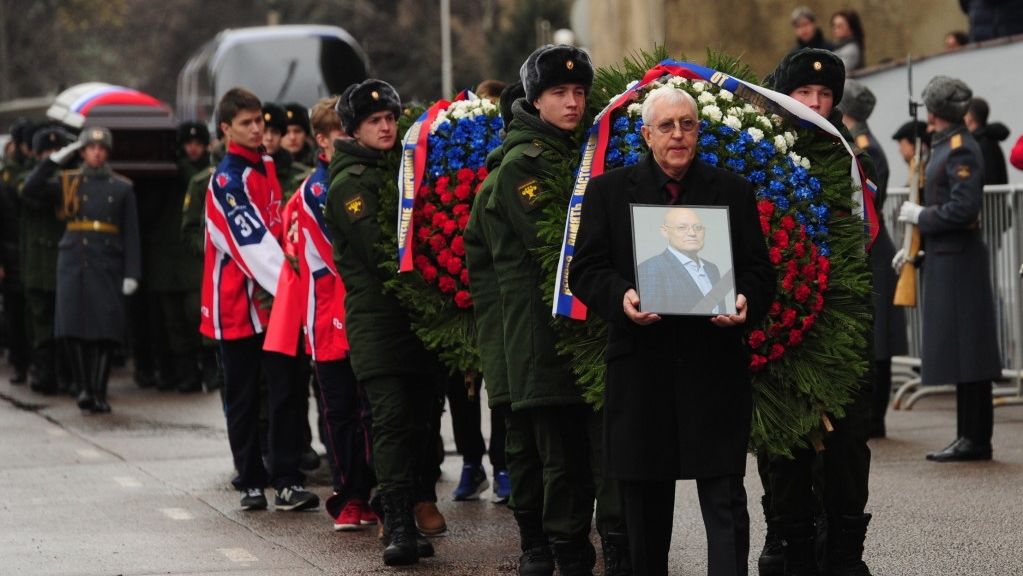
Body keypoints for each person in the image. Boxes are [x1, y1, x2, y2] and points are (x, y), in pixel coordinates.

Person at [569, 85, 774, 576]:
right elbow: (586, 270)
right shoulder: (609, 192)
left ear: (699, 131)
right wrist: (621, 297)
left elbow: (759, 271)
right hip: (642, 367)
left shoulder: (733, 190)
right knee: (644, 505)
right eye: (666, 126)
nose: (678, 134)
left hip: (714, 367)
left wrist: (746, 298)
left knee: (725, 496)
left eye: (687, 124)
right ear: (646, 134)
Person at [487, 44, 630, 576]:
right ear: (535, 99)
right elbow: (557, 246)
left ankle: (617, 544)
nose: (572, 103)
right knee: (563, 457)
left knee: (608, 448)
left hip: (594, 325)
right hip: (547, 333)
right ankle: (569, 551)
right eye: (558, 93)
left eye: (579, 93)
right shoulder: (521, 166)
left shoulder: (587, 151)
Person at [760, 48, 876, 576]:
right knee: (784, 445)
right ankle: (787, 542)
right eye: (804, 94)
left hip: (840, 322)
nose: (814, 103)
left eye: (825, 95)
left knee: (848, 444)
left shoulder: (855, 161)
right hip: (782, 322)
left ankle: (846, 552)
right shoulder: (759, 153)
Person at [324, 79, 444, 566]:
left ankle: (410, 512)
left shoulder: (399, 169)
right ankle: (395, 522)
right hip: (378, 323)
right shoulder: (350, 183)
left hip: (412, 322)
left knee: (419, 423)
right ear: (354, 129)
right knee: (392, 422)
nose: (387, 126)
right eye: (375, 121)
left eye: (391, 119)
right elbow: (382, 254)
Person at [201, 87, 319, 513]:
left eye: (259, 122)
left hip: (277, 304)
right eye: (247, 123)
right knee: (244, 395)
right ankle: (250, 478)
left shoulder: (269, 167)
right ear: (226, 129)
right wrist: (298, 287)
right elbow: (251, 244)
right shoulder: (225, 181)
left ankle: (287, 478)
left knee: (286, 389)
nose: (257, 131)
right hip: (239, 306)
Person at [894, 76, 1002, 462]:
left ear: (935, 109)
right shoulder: (942, 143)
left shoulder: (960, 149)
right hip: (945, 257)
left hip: (959, 259)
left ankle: (975, 438)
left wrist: (922, 215)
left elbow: (963, 208)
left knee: (970, 353)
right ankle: (967, 435)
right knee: (962, 353)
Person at [293, 96, 377, 532]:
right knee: (341, 412)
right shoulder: (316, 191)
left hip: (362, 314)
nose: (347, 142)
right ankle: (349, 494)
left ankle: (376, 491)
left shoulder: (365, 179)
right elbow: (341, 253)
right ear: (321, 141)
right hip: (328, 318)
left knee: (371, 409)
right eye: (338, 135)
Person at [22, 127, 141, 413]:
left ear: (107, 153)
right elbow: (30, 189)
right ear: (82, 152)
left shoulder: (122, 187)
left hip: (106, 261)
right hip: (74, 262)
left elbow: (131, 233)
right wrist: (53, 161)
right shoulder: (68, 181)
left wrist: (132, 273)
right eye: (90, 148)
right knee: (73, 328)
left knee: (105, 330)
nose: (96, 153)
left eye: (101, 149)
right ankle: (84, 389)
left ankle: (98, 390)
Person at [837, 80, 909, 439]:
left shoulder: (864, 147)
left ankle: (875, 418)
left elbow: (868, 203)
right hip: (870, 243)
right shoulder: (857, 139)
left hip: (873, 244)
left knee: (878, 339)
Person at [19, 126, 73, 396]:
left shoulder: (69, 179)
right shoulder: (26, 176)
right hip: (39, 265)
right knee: (41, 324)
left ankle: (66, 375)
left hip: (63, 264)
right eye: (47, 152)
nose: (52, 155)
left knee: (64, 324)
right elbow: (30, 192)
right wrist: (51, 164)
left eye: (56, 150)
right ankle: (45, 374)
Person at [636, 207, 730, 315]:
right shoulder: (651, 269)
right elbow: (650, 320)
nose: (692, 233)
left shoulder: (712, 268)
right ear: (665, 231)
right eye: (682, 227)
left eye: (698, 227)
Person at [0, 119, 35, 385]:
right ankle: (20, 362)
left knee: (33, 312)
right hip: (12, 251)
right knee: (16, 311)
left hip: (32, 249)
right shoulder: (8, 176)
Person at [964, 98, 1009, 187]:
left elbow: (988, 178)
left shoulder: (981, 145)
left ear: (970, 118)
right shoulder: (990, 141)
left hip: (986, 199)